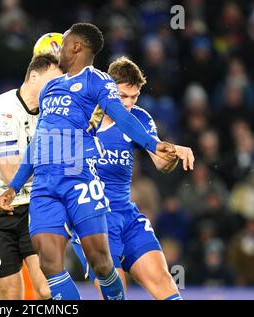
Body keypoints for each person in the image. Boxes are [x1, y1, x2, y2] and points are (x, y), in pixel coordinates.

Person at [0, 23, 176, 300]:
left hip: (77, 178)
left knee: (103, 265)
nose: (60, 48)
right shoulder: (51, 88)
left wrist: (154, 144)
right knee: (49, 265)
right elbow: (40, 141)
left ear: (77, 47)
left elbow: (124, 117)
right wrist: (15, 184)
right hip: (46, 184)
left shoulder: (98, 81)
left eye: (65, 41)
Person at [70, 56, 194, 300]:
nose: (128, 104)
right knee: (117, 295)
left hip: (127, 216)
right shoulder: (82, 118)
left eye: (134, 97)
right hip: (93, 220)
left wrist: (172, 152)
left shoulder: (139, 118)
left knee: (165, 283)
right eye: (122, 96)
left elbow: (160, 163)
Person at [0, 54, 63, 299]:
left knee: (47, 290)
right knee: (10, 295)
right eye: (53, 80)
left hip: (34, 208)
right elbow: (10, 174)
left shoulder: (53, 113)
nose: (58, 88)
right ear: (33, 76)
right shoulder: (2, 110)